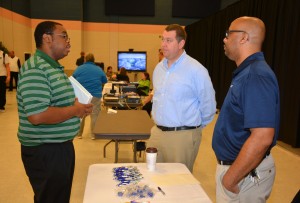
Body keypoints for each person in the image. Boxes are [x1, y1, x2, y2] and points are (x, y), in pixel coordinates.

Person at [17, 21, 93, 203]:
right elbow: (37, 115)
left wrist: (79, 108)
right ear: (47, 38)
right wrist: (74, 110)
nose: (68, 41)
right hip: (45, 150)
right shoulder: (37, 68)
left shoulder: (53, 67)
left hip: (58, 147)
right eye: (64, 36)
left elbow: (58, 103)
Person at [212, 16, 280, 203]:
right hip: (240, 171)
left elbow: (262, 136)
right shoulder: (247, 72)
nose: (224, 39)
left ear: (243, 38)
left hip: (243, 174)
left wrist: (230, 179)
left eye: (228, 34)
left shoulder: (255, 75)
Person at [147, 24, 216, 172]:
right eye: (162, 39)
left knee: (178, 184)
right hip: (157, 133)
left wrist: (192, 129)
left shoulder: (196, 70)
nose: (163, 44)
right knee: (152, 178)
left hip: (182, 136)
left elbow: (209, 106)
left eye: (169, 40)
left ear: (181, 43)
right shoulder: (159, 69)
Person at [73, 53, 107, 139]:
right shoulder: (98, 69)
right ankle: (93, 134)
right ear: (93, 60)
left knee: (81, 114)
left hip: (82, 95)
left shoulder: (79, 68)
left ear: (85, 60)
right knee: (95, 114)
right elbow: (105, 80)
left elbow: (73, 79)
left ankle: (79, 134)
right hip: (95, 95)